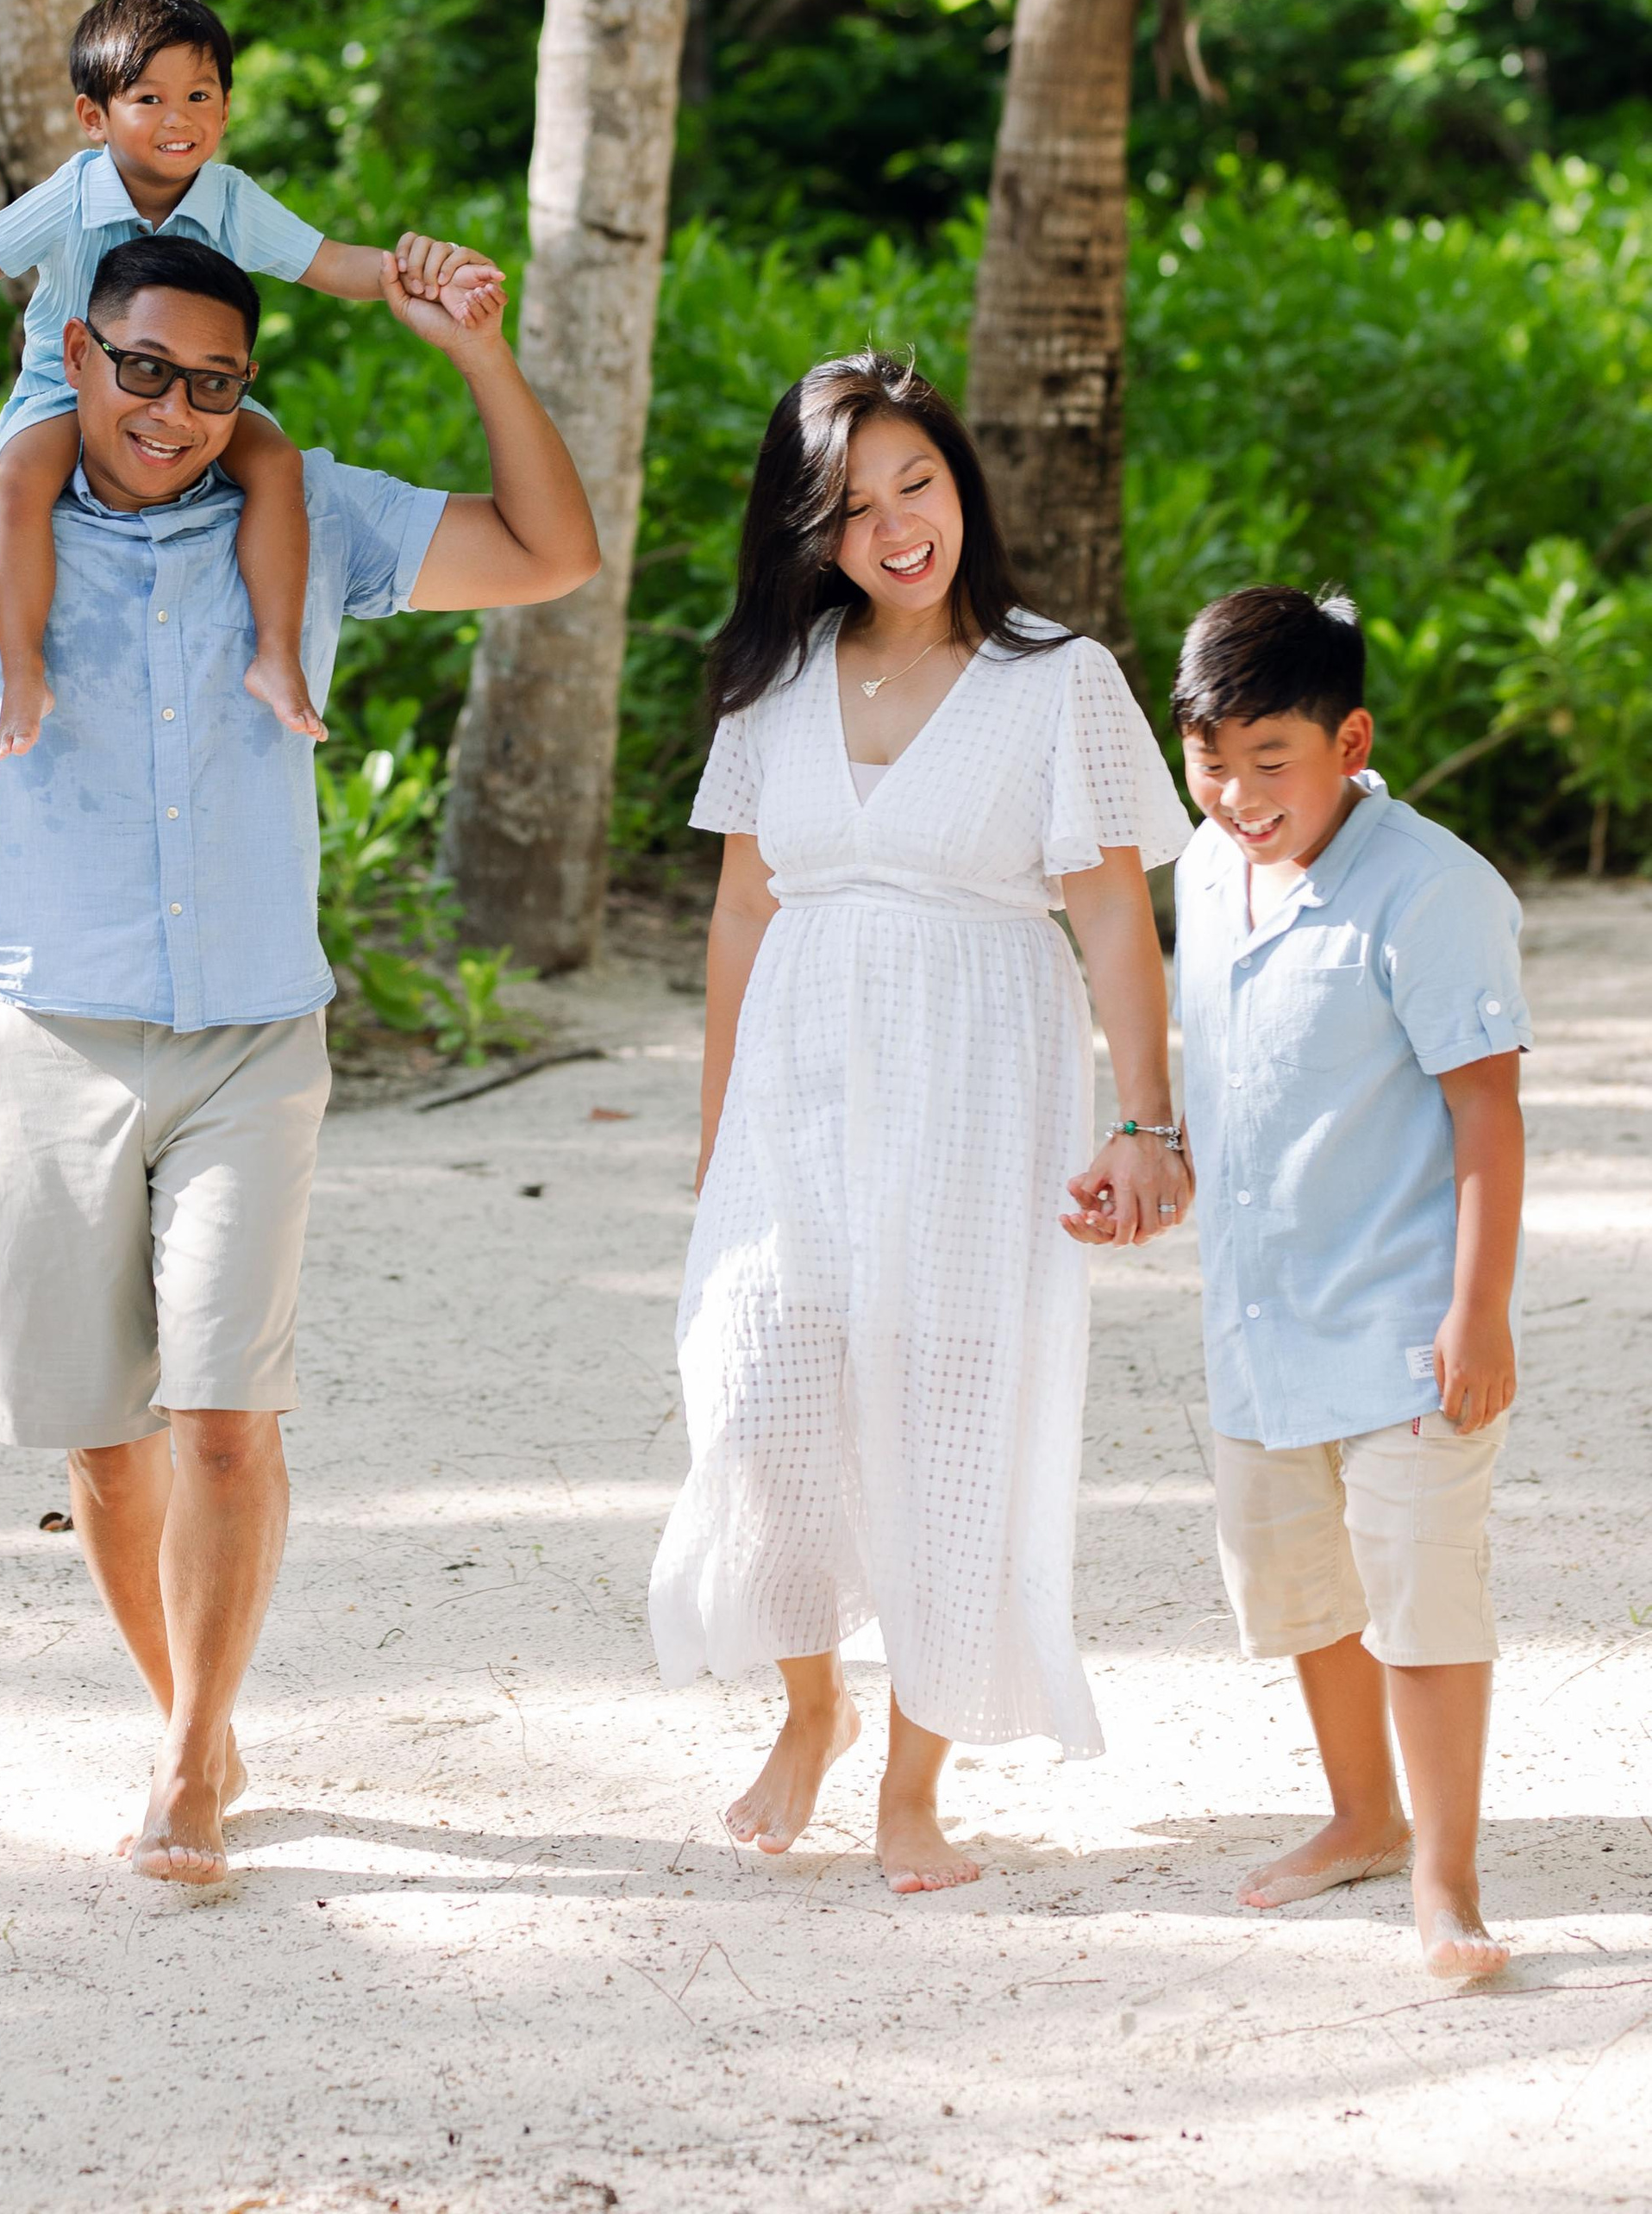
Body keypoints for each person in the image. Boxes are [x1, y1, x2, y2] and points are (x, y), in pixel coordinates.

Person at [0, 220, 597, 1887]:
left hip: (255, 1028)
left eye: (214, 382)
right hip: (51, 1025)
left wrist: (465, 343)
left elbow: (549, 550)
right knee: (101, 1439)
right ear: (81, 356)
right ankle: (195, 1702)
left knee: (226, 1416)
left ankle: (188, 1753)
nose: (173, 409)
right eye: (144, 369)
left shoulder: (309, 514)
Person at [649, 350, 1192, 1894]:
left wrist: (1146, 1122)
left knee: (956, 1414)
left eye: (917, 483)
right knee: (760, 1398)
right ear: (803, 529)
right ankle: (808, 1708)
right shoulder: (774, 682)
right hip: (795, 1098)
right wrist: (714, 1139)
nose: (896, 524)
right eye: (851, 502)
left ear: (960, 486)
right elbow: (741, 912)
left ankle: (912, 1776)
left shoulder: (1053, 680)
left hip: (977, 1090)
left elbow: (1109, 919)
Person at [1162, 585, 1529, 1982]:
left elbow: (1482, 1111)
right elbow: (1229, 1066)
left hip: (1400, 1314)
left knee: (1418, 1588)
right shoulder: (1202, 869)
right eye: (1209, 757)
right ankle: (1360, 1813)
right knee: (1296, 1579)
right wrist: (1152, 1158)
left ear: (1348, 737)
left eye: (1270, 759)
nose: (1236, 793)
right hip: (1256, 1310)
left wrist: (1473, 1309)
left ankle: (1443, 1880)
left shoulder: (1429, 886)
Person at [0, 0, 501, 760]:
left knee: (277, 463)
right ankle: (21, 671)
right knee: (18, 482)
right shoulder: (71, 193)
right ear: (94, 117)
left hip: (194, 393)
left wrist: (419, 275)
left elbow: (328, 262)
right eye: (148, 97)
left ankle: (277, 655)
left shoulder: (229, 199)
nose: (178, 118)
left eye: (199, 94)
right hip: (65, 388)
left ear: (225, 108)